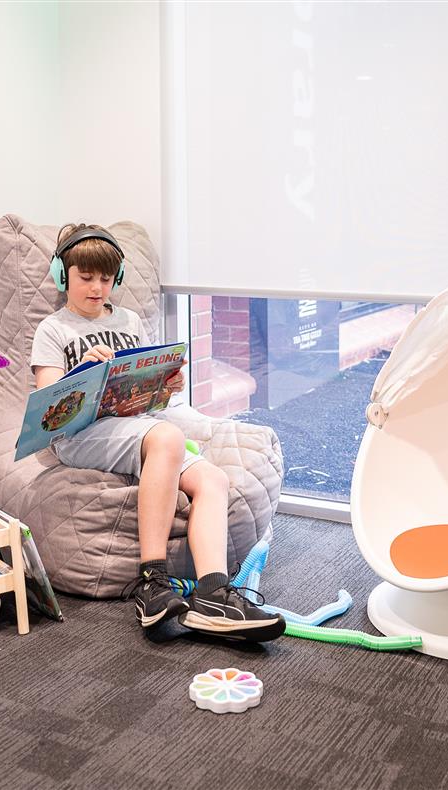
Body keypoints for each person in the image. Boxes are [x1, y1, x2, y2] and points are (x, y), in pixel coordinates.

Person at [31, 223, 285, 643]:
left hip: (136, 426)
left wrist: (163, 385)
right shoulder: (53, 330)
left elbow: (150, 403)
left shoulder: (128, 321)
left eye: (107, 278)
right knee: (165, 438)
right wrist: (82, 373)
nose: (97, 288)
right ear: (63, 276)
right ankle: (153, 583)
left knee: (213, 479)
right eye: (86, 277)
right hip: (80, 436)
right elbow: (48, 411)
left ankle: (214, 595)